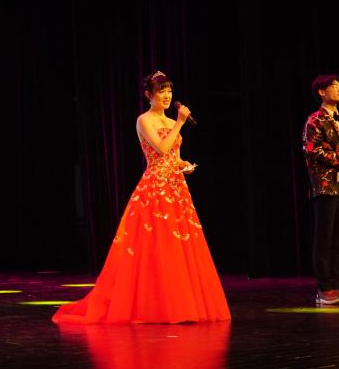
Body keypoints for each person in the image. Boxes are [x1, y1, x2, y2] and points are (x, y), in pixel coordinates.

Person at [53, 71, 230, 324]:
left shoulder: (171, 121)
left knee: (177, 248)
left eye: (169, 90)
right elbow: (160, 149)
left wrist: (183, 164)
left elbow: (173, 156)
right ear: (149, 95)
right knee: (156, 247)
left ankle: (180, 304)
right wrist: (180, 123)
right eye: (161, 91)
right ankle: (154, 306)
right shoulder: (144, 120)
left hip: (176, 189)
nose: (167, 95)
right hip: (155, 189)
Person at [303, 74, 339, 305]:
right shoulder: (314, 120)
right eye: (335, 86)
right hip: (326, 186)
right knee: (324, 239)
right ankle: (324, 288)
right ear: (322, 92)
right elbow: (312, 152)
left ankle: (336, 285)